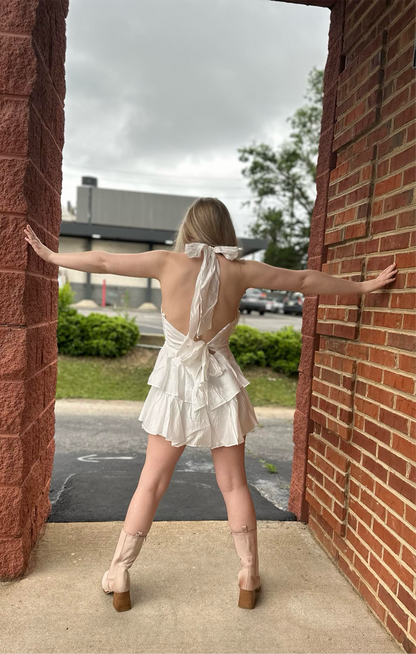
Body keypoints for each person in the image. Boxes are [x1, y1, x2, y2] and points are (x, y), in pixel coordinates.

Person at [24, 197, 397, 612]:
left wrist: (49, 254)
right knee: (234, 483)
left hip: (174, 386)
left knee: (152, 482)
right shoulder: (240, 270)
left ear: (189, 227)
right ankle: (249, 573)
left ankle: (121, 572)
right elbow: (306, 281)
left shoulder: (167, 262)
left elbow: (105, 261)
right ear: (226, 231)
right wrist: (363, 286)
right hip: (222, 383)